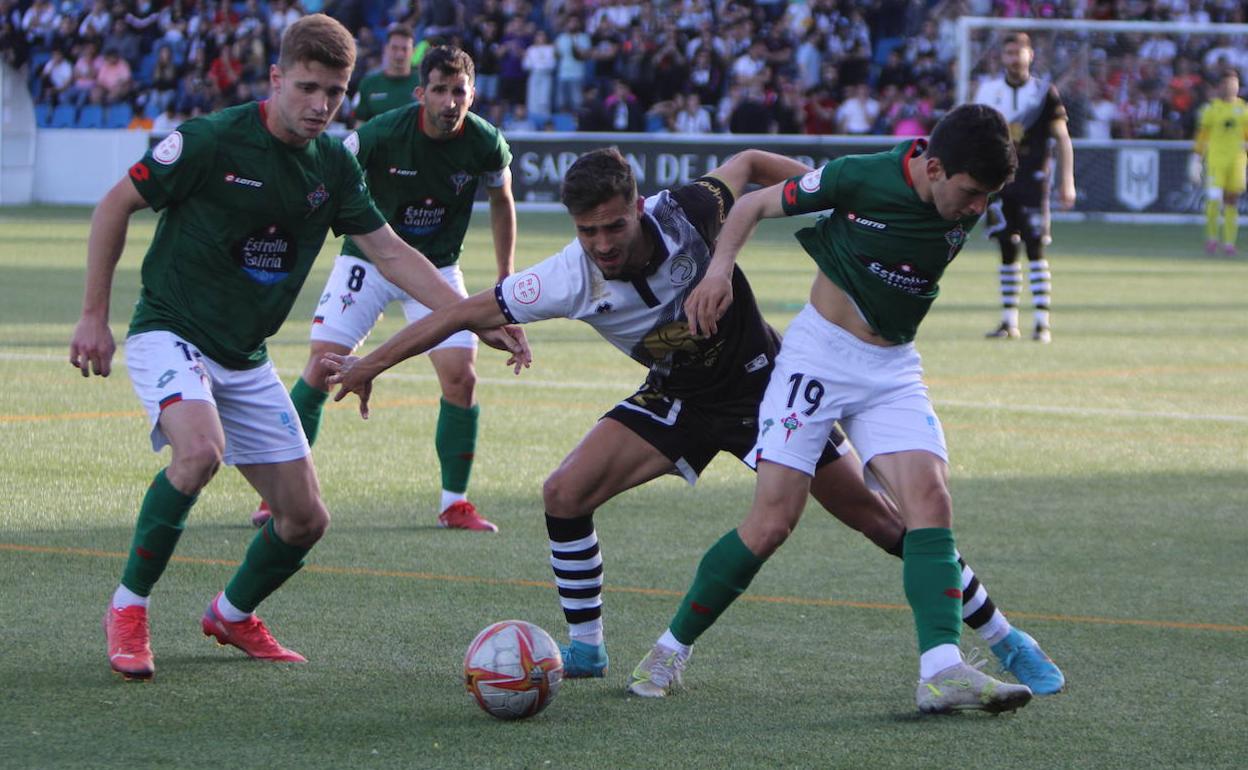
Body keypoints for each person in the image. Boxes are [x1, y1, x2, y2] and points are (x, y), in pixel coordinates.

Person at [321, 145, 1064, 700]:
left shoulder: (688, 211)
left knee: (879, 521)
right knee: (562, 493)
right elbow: (457, 312)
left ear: (638, 206)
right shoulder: (566, 278)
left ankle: (1002, 637)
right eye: (588, 232)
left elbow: (743, 167)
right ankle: (585, 648)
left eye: (614, 226)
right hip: (675, 397)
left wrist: (827, 190)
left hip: (765, 388)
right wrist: (368, 364)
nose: (604, 244)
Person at [69, 14, 526, 682]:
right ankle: (128, 608)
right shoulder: (211, 140)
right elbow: (115, 205)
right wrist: (92, 317)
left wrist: (468, 313)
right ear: (278, 78)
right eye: (307, 87)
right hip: (172, 330)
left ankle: (230, 613)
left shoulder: (334, 165)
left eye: (334, 93)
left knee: (306, 519)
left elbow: (392, 251)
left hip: (245, 355)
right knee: (199, 454)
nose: (320, 106)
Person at [626, 104, 1039, 714]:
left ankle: (942, 671)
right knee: (772, 524)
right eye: (972, 193)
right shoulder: (862, 176)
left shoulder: (957, 191)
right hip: (817, 360)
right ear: (932, 167)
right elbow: (751, 204)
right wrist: (717, 272)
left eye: (989, 196)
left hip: (892, 367)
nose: (977, 209)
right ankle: (667, 650)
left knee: (930, 501)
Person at [248, 44, 515, 533]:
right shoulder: (380, 132)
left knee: (462, 376)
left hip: (434, 270)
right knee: (324, 362)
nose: (450, 101)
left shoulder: (486, 143)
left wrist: (505, 275)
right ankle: (277, 496)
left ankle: (455, 502)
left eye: (460, 91)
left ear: (473, 95)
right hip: (369, 259)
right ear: (420, 93)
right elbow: (326, 168)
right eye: (440, 90)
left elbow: (502, 200)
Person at [974, 32, 1075, 343]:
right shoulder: (988, 91)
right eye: (1009, 53)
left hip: (1034, 181)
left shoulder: (1044, 93)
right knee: (1006, 248)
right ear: (1001, 57)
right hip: (998, 182)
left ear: (1031, 55)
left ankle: (1042, 322)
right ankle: (1009, 321)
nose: (1015, 58)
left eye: (1020, 52)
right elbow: (976, 138)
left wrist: (1067, 180)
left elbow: (1062, 138)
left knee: (1035, 248)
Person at [1191, 70, 1248, 256]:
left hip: (1237, 161)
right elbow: (1202, 135)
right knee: (1214, 199)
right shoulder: (1211, 109)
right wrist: (1196, 158)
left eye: (1234, 83)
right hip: (1216, 160)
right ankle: (1212, 240)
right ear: (1220, 87)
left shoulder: (1244, 109)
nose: (1231, 87)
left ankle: (1229, 243)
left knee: (1232, 201)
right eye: (1227, 83)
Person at [352, 23, 421, 126]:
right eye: (394, 48)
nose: (399, 55)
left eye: (405, 49)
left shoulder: (422, 82)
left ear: (413, 52)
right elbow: (360, 124)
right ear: (386, 49)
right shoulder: (369, 84)